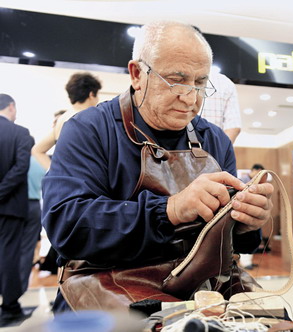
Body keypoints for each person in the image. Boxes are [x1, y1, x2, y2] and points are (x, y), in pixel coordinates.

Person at [41, 21, 274, 313]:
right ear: (137, 74)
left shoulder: (214, 140)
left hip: (202, 281)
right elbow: (67, 225)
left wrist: (246, 223)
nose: (190, 97)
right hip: (105, 280)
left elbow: (230, 244)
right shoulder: (88, 130)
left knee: (274, 319)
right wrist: (171, 210)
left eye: (200, 82)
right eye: (176, 80)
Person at [0, 94, 34, 327]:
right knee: (9, 256)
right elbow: (21, 168)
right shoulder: (20, 133)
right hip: (10, 206)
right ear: (11, 107)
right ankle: (10, 308)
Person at [32, 72, 101, 169]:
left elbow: (37, 150)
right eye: (97, 95)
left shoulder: (62, 118)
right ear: (91, 95)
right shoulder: (91, 118)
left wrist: (54, 172)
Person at [19, 155, 46, 293]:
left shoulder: (16, 161)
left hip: (13, 204)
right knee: (28, 248)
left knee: (8, 247)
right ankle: (21, 287)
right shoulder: (38, 162)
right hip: (34, 205)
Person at [238, 163, 266, 269]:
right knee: (246, 236)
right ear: (255, 170)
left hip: (254, 213)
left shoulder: (256, 182)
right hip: (245, 213)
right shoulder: (242, 180)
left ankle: (249, 261)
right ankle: (245, 263)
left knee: (253, 238)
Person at [201, 71, 242, 143]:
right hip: (213, 146)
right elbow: (233, 126)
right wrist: (220, 151)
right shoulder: (225, 83)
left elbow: (234, 127)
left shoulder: (225, 83)